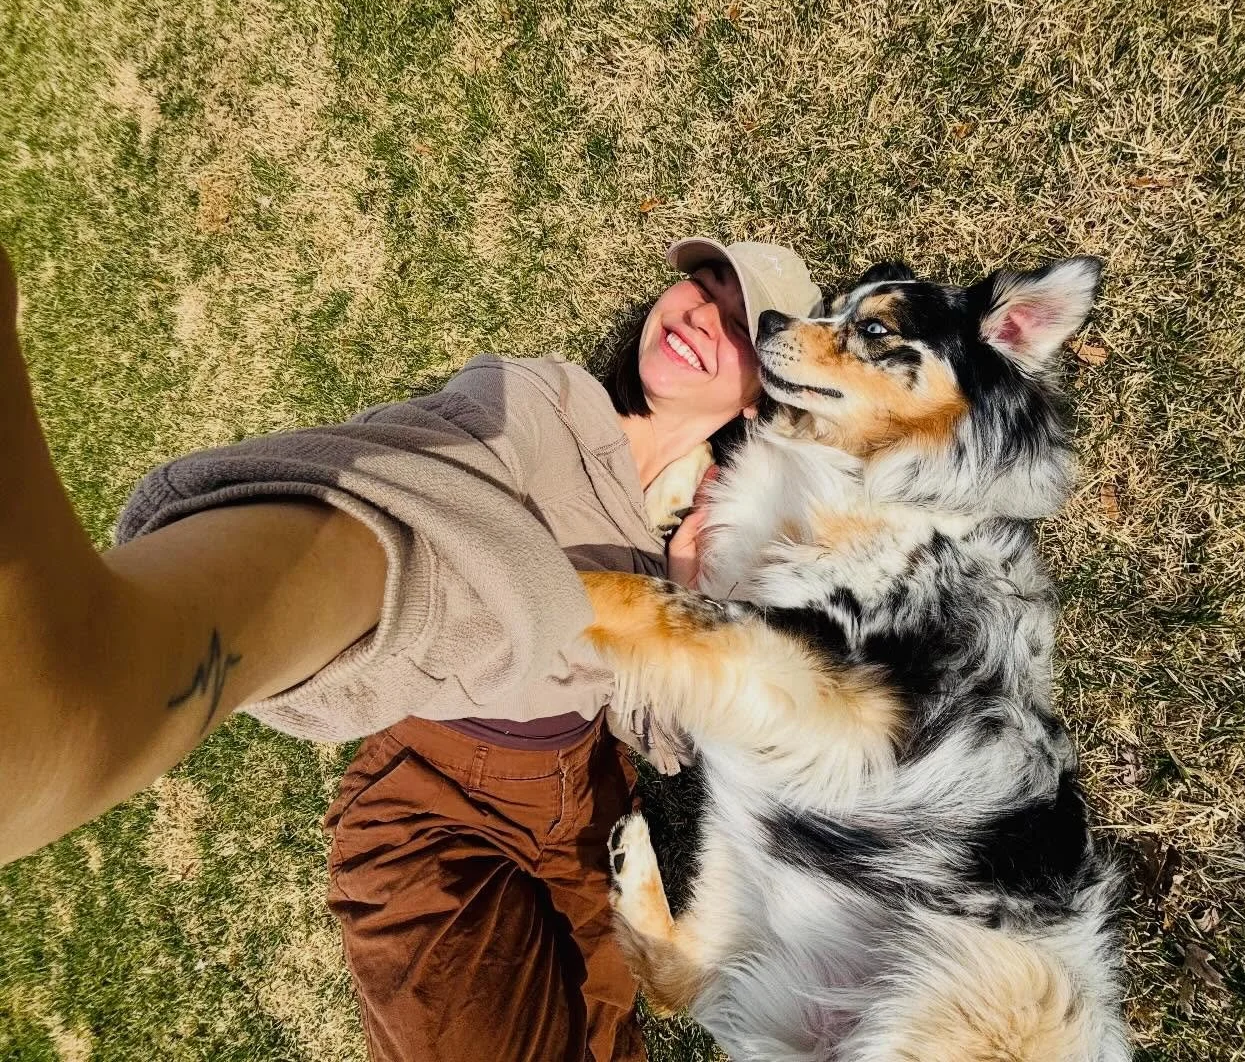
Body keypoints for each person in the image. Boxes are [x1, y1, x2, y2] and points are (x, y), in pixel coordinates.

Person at [0, 236, 823, 1060]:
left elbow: (660, 732)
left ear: (760, 391)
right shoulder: (545, 403)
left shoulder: (716, 531)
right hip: (438, 799)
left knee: (606, 1043)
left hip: (593, 806)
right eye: (700, 285)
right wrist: (224, 608)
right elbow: (430, 483)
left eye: (741, 323)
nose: (701, 315)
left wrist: (687, 597)